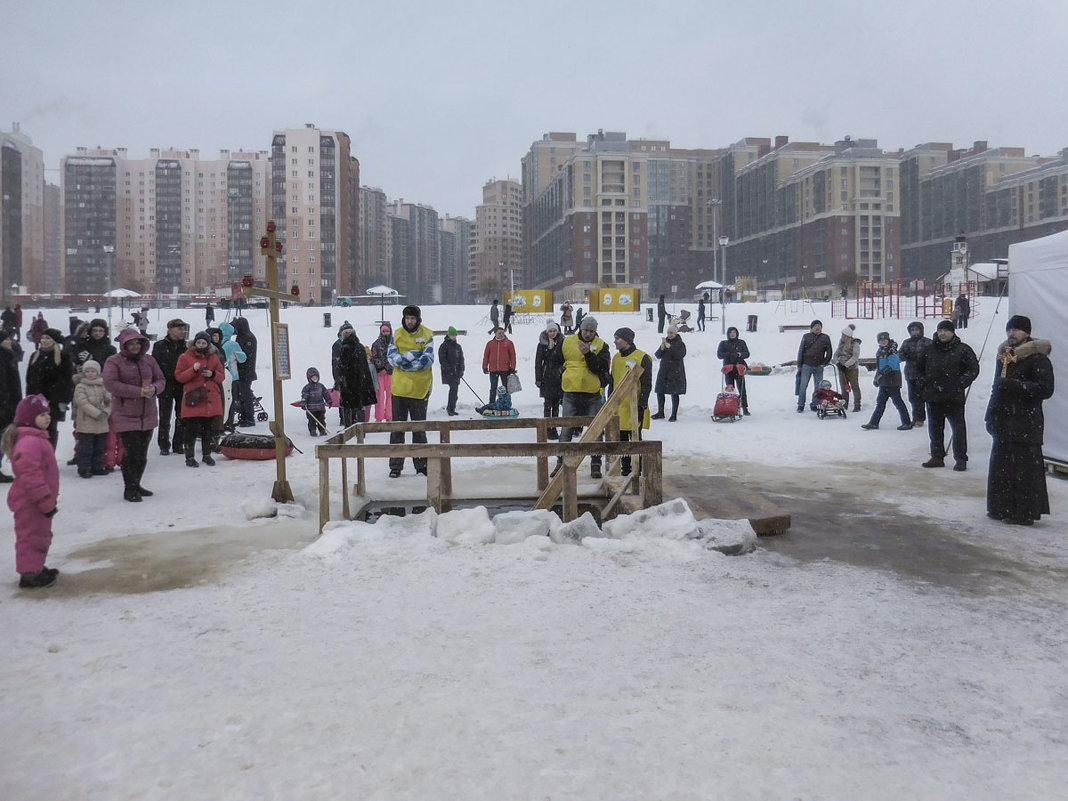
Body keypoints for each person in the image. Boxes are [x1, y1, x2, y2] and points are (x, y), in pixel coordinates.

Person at [985, 315, 1055, 526]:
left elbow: (1046, 389)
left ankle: (1024, 511)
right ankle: (1000, 506)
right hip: (1004, 420)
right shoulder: (1005, 356)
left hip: (1026, 422)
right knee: (1001, 466)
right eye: (1010, 329)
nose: (1012, 334)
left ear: (1027, 333)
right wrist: (991, 411)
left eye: (1016, 330)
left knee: (1024, 469)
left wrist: (1018, 386)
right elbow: (997, 386)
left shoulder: (1038, 358)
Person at [2, 394, 60, 589]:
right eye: (41, 415)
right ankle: (29, 575)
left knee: (40, 534)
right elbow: (30, 475)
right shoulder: (30, 442)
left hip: (38, 501)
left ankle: (36, 567)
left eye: (47, 414)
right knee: (31, 536)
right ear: (28, 418)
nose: (47, 417)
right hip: (32, 502)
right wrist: (44, 501)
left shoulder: (37, 438)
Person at [103, 328, 166, 502]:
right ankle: (129, 488)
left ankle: (137, 483)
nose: (134, 346)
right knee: (132, 453)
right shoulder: (114, 362)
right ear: (123, 345)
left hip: (148, 414)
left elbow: (161, 379)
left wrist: (154, 389)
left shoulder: (149, 360)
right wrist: (137, 392)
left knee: (143, 455)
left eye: (137, 343)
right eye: (130, 343)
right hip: (126, 414)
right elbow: (111, 384)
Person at [915, 320, 980, 470]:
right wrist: (923, 383)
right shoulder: (929, 349)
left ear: (952, 332)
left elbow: (973, 369)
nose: (942, 333)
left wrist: (960, 383)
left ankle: (961, 459)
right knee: (935, 429)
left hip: (954, 397)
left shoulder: (963, 349)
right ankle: (937, 457)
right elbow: (919, 369)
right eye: (940, 331)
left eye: (946, 330)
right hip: (933, 397)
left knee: (958, 429)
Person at [555, 315, 610, 479]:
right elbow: (555, 360)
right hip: (571, 391)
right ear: (581, 328)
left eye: (591, 331)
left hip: (592, 393)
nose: (588, 334)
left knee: (595, 430)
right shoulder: (566, 342)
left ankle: (595, 463)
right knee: (566, 429)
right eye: (586, 330)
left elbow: (600, 367)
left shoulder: (601, 345)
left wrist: (588, 354)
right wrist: (561, 373)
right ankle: (561, 462)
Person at [386, 305, 435, 478]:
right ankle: (396, 466)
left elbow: (427, 360)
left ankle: (421, 465)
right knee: (397, 429)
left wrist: (405, 360)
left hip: (419, 390)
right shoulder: (397, 335)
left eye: (413, 318)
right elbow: (392, 359)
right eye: (407, 318)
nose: (410, 321)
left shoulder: (427, 335)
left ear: (418, 319)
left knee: (419, 429)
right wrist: (414, 354)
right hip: (399, 390)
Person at [175, 331, 225, 467]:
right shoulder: (185, 357)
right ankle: (189, 457)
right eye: (199, 342)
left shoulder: (214, 358)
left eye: (204, 343)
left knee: (207, 429)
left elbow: (222, 376)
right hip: (194, 398)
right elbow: (179, 377)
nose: (201, 345)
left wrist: (213, 374)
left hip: (210, 399)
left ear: (208, 344)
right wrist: (193, 370)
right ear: (194, 343)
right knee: (190, 430)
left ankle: (206, 455)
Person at [607, 327, 652, 477]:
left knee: (634, 438)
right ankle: (625, 469)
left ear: (627, 340)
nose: (615, 341)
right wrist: (609, 401)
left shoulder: (642, 357)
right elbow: (613, 381)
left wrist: (642, 404)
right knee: (620, 439)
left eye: (618, 338)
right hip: (619, 406)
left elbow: (647, 383)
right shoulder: (616, 358)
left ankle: (636, 469)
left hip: (633, 405)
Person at [25, 327, 74, 449]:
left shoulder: (63, 356)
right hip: (36, 400)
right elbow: (29, 379)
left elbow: (67, 380)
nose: (44, 340)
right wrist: (30, 398)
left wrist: (62, 399)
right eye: (42, 338)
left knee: (50, 429)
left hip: (54, 401)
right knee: (35, 429)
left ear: (54, 341)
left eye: (48, 338)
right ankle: (37, 456)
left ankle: (48, 456)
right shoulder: (35, 356)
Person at [860, 332, 913, 431]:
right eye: (881, 340)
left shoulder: (892, 351)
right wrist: (876, 378)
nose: (883, 342)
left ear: (888, 340)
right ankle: (873, 423)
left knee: (898, 402)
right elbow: (880, 367)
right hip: (884, 382)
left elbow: (892, 365)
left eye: (885, 340)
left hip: (893, 381)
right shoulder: (880, 351)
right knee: (880, 403)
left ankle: (907, 422)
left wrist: (880, 375)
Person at [151, 317, 188, 454]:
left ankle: (178, 444)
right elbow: (156, 365)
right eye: (179, 329)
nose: (182, 331)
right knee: (165, 417)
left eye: (183, 329)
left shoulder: (186, 346)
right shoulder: (160, 345)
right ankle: (164, 444)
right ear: (170, 330)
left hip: (182, 385)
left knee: (182, 416)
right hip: (166, 385)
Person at [71, 360, 111, 477]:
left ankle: (97, 467)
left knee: (100, 447)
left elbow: (110, 401)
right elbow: (82, 403)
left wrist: (106, 412)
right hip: (86, 422)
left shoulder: (103, 385)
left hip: (102, 422)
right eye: (87, 371)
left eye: (92, 371)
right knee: (86, 448)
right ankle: (84, 468)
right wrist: (96, 413)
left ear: (98, 372)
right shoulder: (80, 386)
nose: (90, 374)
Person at [335, 323, 377, 427]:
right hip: (360, 381)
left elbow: (342, 366)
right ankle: (361, 429)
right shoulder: (360, 346)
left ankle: (348, 429)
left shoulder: (345, 347)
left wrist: (341, 379)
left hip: (349, 382)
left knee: (348, 406)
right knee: (359, 405)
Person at [534, 321, 565, 439]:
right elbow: (538, 362)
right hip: (546, 377)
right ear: (547, 332)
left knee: (556, 405)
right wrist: (538, 378)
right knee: (547, 405)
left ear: (557, 332)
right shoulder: (542, 344)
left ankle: (554, 428)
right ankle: (547, 429)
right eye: (550, 331)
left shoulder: (562, 343)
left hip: (558, 377)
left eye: (554, 331)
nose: (552, 333)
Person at [898, 321, 932, 427]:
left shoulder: (928, 342)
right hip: (910, 374)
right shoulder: (906, 342)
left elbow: (933, 357)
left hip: (924, 374)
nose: (914, 332)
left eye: (916, 329)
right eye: (912, 330)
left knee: (924, 397)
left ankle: (923, 418)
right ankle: (916, 417)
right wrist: (905, 355)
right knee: (913, 397)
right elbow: (899, 356)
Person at [0, 330, 23, 482]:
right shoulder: (4, 357)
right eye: (6, 339)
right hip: (4, 403)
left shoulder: (8, 355)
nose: (10, 341)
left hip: (8, 403)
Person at [795, 319, 832, 412]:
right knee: (803, 386)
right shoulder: (806, 336)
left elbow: (829, 351)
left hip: (819, 366)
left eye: (819, 326)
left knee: (818, 387)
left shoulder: (825, 337)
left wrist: (825, 363)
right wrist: (799, 364)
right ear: (812, 328)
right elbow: (801, 351)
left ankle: (815, 404)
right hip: (806, 365)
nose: (817, 327)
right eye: (815, 326)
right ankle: (800, 404)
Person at [652, 323, 687, 421]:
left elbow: (680, 355)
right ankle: (660, 412)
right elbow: (658, 355)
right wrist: (662, 348)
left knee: (674, 393)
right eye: (668, 333)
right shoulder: (665, 342)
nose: (669, 334)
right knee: (660, 391)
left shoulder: (680, 343)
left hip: (675, 371)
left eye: (671, 333)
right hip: (664, 370)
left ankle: (674, 414)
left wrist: (670, 348)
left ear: (675, 333)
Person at [218, 321, 247, 430]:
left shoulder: (216, 343)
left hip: (219, 376)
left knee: (222, 400)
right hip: (232, 375)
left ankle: (221, 422)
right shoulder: (232, 344)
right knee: (231, 400)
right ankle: (228, 422)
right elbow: (242, 359)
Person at [717, 326, 751, 416]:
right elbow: (719, 355)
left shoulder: (741, 342)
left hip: (739, 368)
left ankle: (744, 408)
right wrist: (729, 354)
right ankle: (729, 407)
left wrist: (739, 354)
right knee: (729, 389)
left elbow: (747, 354)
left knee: (742, 389)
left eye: (734, 332)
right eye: (731, 332)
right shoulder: (723, 343)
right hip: (728, 369)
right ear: (728, 334)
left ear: (737, 333)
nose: (732, 334)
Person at [230, 316, 258, 427]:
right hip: (241, 371)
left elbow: (244, 355)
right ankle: (244, 416)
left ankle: (249, 418)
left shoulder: (248, 338)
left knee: (245, 396)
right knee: (241, 395)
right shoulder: (242, 337)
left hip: (246, 371)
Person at [832, 324, 863, 413]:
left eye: (844, 335)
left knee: (854, 386)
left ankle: (857, 404)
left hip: (852, 369)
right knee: (844, 386)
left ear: (848, 336)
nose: (842, 337)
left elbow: (855, 357)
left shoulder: (855, 344)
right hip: (842, 368)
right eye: (842, 335)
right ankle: (845, 403)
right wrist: (837, 363)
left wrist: (846, 365)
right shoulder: (841, 343)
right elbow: (836, 354)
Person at [482, 327, 516, 400]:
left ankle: (506, 403)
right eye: (499, 333)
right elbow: (486, 356)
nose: (501, 334)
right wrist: (484, 366)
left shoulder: (509, 343)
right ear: (495, 333)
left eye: (502, 333)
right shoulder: (490, 343)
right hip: (493, 369)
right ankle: (492, 404)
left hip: (505, 369)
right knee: (493, 387)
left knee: (506, 387)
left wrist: (513, 367)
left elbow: (513, 356)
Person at [438, 326, 464, 416]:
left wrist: (461, 370)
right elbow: (442, 360)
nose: (454, 337)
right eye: (452, 335)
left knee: (455, 391)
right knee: (453, 390)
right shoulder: (444, 346)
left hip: (457, 373)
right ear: (448, 335)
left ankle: (452, 408)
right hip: (449, 373)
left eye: (455, 335)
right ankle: (450, 409)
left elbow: (461, 359)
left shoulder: (458, 347)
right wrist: (449, 370)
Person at [370, 323, 394, 422]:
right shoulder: (376, 344)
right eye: (383, 331)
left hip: (391, 373)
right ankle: (379, 417)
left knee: (390, 396)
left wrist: (389, 366)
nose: (385, 333)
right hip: (380, 373)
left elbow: (395, 357)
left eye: (387, 331)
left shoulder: (394, 343)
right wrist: (382, 366)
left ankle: (389, 415)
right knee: (380, 397)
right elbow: (374, 358)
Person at [300, 368, 333, 435]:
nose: (315, 379)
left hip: (321, 408)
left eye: (316, 377)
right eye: (313, 377)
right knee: (312, 421)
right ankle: (313, 430)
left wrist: (329, 400)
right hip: (311, 409)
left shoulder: (321, 386)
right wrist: (303, 403)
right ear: (309, 378)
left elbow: (325, 393)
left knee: (321, 420)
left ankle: (322, 430)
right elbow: (304, 396)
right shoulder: (307, 388)